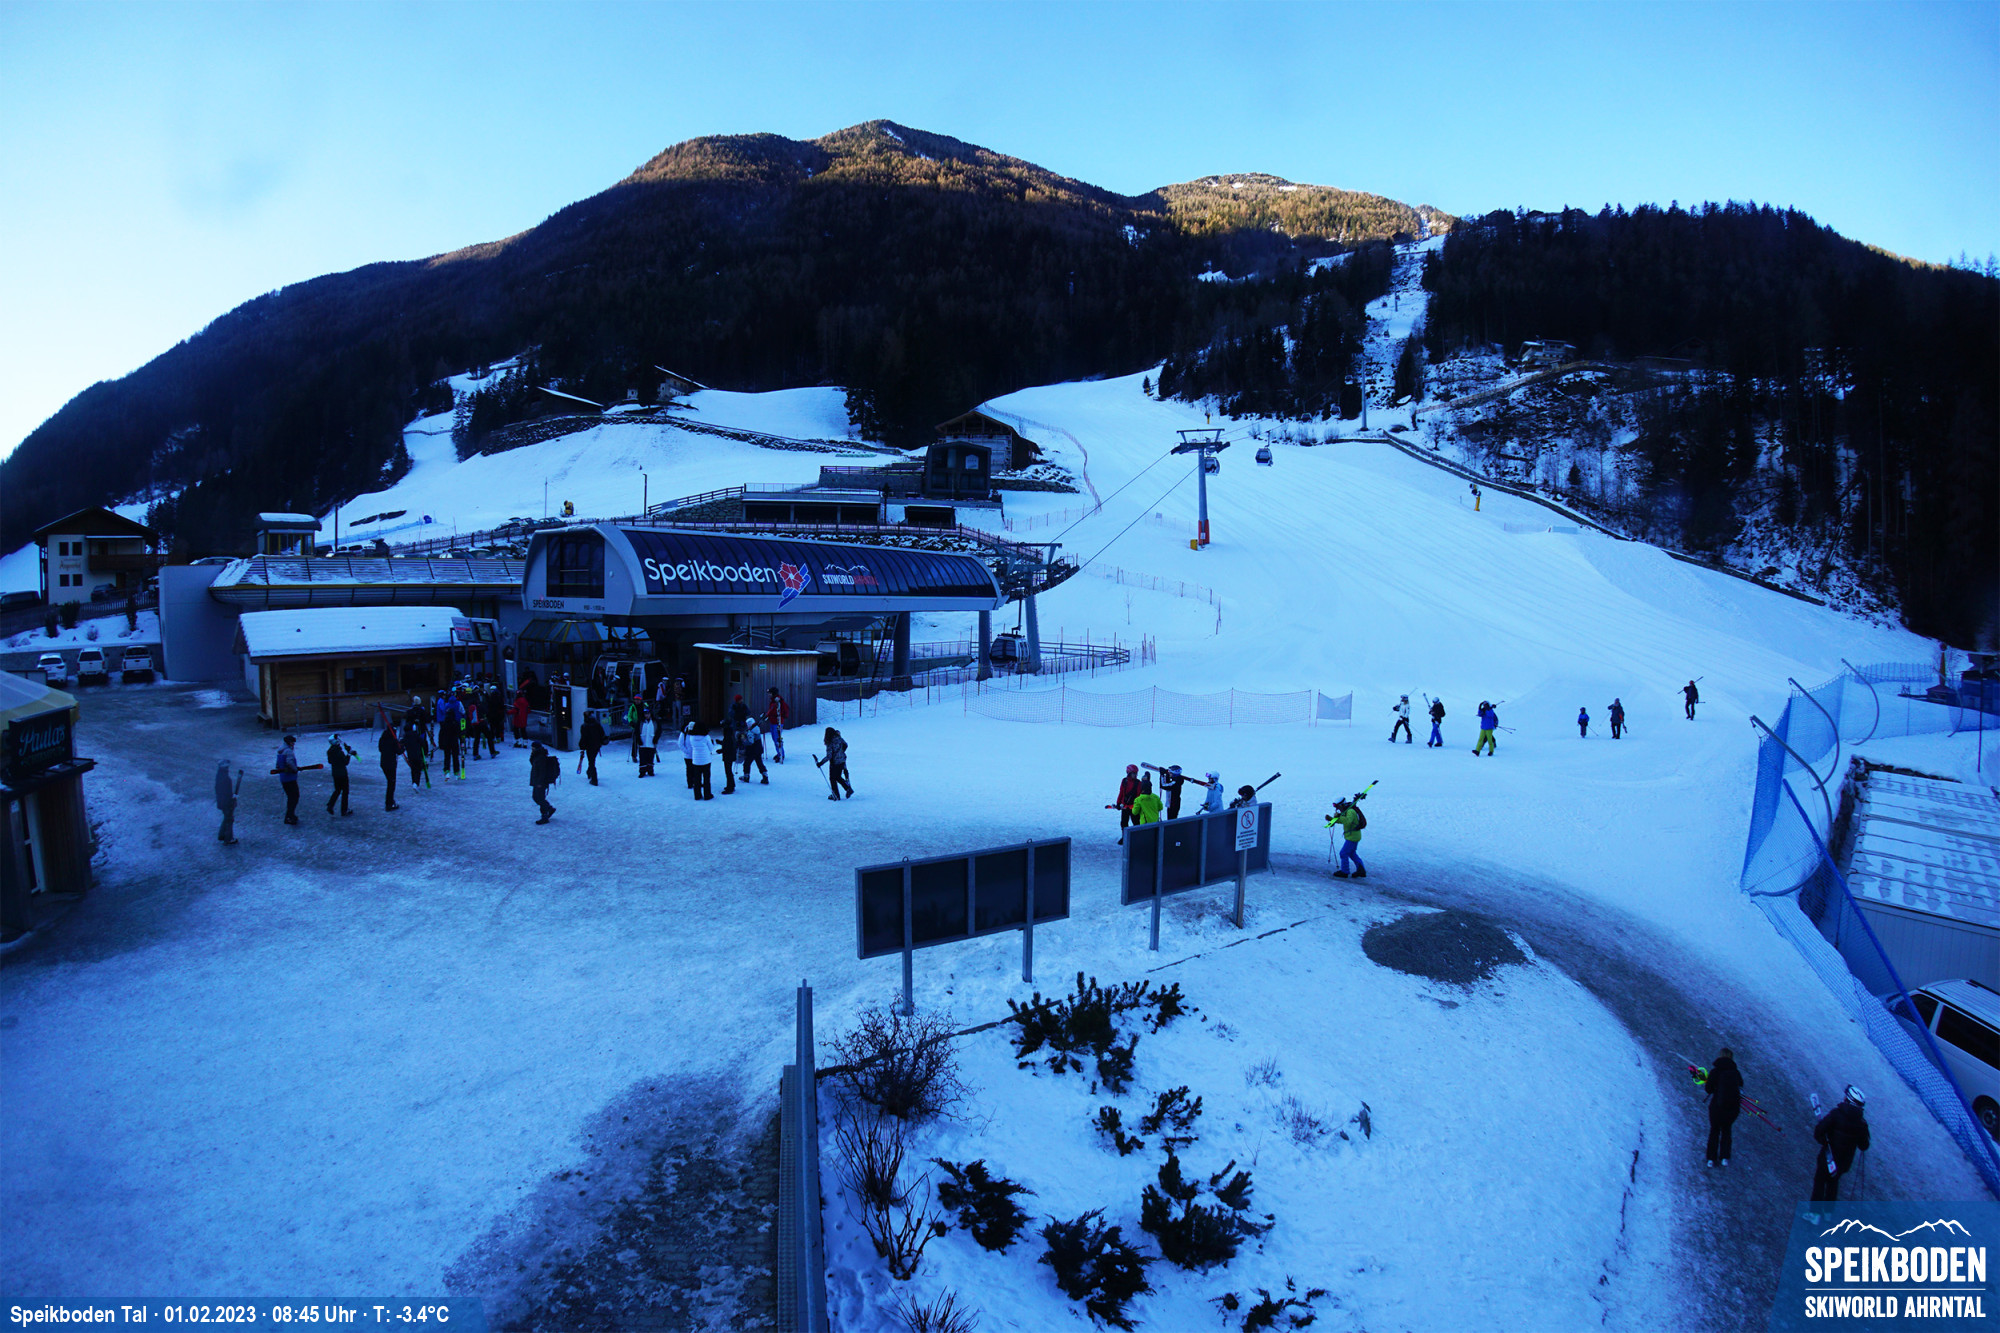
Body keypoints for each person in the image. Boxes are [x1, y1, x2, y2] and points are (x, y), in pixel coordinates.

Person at [1810, 1085, 1870, 1201]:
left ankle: (1815, 1210)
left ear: (1848, 1100)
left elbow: (1818, 1132)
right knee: (1833, 1183)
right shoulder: (1862, 1124)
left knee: (1820, 1182)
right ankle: (1828, 1211)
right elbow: (1864, 1146)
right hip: (1843, 1164)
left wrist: (1824, 1141)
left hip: (1827, 1158)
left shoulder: (1836, 1114)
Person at [1703, 1049, 1744, 1168]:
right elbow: (1741, 1086)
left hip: (1717, 1107)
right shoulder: (1736, 1072)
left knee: (1714, 1131)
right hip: (1732, 1108)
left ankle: (1711, 1159)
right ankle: (1724, 1157)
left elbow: (1708, 1089)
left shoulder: (1715, 1071)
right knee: (1727, 1130)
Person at [1327, 797, 1366, 878]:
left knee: (1343, 853)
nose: (1338, 809)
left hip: (1352, 837)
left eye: (1338, 807)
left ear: (1342, 805)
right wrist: (1332, 819)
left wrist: (1339, 817)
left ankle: (1345, 872)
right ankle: (1361, 870)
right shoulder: (1347, 811)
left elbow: (1348, 822)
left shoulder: (1350, 811)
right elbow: (1343, 820)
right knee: (1352, 853)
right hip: (1353, 836)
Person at [325, 734, 357, 815]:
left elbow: (330, 761)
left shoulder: (330, 751)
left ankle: (330, 805)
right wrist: (349, 754)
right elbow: (345, 762)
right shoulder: (339, 752)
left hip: (335, 773)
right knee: (345, 791)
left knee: (337, 790)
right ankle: (344, 810)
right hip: (342, 774)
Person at [682, 720, 715, 800]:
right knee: (706, 778)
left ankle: (697, 795)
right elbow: (711, 748)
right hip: (706, 760)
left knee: (697, 779)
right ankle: (707, 795)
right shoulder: (706, 737)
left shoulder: (692, 737)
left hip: (696, 760)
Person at [528, 741, 557, 824]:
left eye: (533, 747)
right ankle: (549, 809)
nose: (532, 749)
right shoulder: (536, 755)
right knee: (536, 797)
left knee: (540, 798)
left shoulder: (541, 757)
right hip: (537, 781)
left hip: (540, 782)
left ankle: (545, 815)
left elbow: (542, 771)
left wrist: (540, 783)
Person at [276, 734, 302, 825]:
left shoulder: (280, 751)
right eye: (293, 742)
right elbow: (289, 762)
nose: (293, 744)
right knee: (294, 797)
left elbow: (277, 765)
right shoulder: (288, 751)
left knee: (290, 797)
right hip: (290, 778)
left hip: (283, 778)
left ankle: (290, 815)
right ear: (289, 742)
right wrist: (295, 769)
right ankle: (289, 816)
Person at [1114, 764, 1142, 843]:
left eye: (1136, 773)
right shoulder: (1124, 781)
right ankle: (1124, 837)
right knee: (1124, 823)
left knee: (1136, 822)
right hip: (1125, 806)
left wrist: (1137, 806)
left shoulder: (1138, 783)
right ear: (1129, 773)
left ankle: (1137, 838)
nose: (1136, 775)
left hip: (1134, 807)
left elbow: (1139, 796)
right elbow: (1121, 792)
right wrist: (1118, 803)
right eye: (1134, 773)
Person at [823, 726, 853, 800]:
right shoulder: (839, 738)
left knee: (832, 778)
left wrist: (821, 763)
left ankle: (836, 795)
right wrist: (841, 752)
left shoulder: (830, 742)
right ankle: (847, 788)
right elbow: (846, 744)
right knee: (837, 777)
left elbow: (829, 756)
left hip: (834, 763)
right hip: (842, 760)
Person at [214, 760, 241, 844]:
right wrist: (232, 798)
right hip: (226, 802)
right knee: (229, 819)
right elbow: (227, 792)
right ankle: (228, 838)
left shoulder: (219, 775)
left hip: (221, 801)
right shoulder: (225, 778)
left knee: (226, 818)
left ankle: (222, 835)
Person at [378, 719, 401, 810]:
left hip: (384, 763)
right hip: (390, 764)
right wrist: (402, 746)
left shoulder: (382, 739)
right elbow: (399, 751)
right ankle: (389, 803)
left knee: (390, 782)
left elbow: (380, 749)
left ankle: (390, 801)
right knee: (391, 784)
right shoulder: (393, 740)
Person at [579, 711, 607, 785]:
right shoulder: (597, 724)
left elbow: (583, 738)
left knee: (591, 761)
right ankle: (589, 772)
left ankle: (594, 779)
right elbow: (602, 734)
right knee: (592, 760)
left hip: (589, 746)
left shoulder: (584, 726)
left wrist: (582, 746)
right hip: (597, 745)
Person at [404, 716, 431, 789]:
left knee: (413, 769)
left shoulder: (405, 737)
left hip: (410, 756)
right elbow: (423, 743)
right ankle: (416, 783)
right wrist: (424, 751)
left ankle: (414, 782)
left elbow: (403, 745)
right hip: (417, 755)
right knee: (418, 769)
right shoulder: (415, 735)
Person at [764, 687, 789, 763]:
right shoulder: (773, 701)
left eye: (770, 693)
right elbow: (771, 711)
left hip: (777, 723)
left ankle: (781, 754)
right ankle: (779, 753)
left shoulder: (778, 701)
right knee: (775, 739)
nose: (769, 695)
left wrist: (769, 715)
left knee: (777, 739)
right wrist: (766, 716)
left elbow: (777, 711)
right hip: (773, 722)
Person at [741, 718, 769, 784]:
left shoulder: (751, 732)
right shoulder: (756, 729)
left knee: (747, 763)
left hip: (752, 751)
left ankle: (746, 776)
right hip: (758, 750)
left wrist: (743, 740)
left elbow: (750, 742)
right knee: (759, 763)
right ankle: (765, 776)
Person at [718, 712, 739, 794]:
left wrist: (721, 750)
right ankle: (731, 785)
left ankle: (730, 787)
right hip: (731, 754)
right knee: (729, 771)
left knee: (728, 771)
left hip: (728, 756)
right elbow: (727, 744)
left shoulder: (727, 734)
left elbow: (727, 746)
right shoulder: (730, 733)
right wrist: (721, 743)